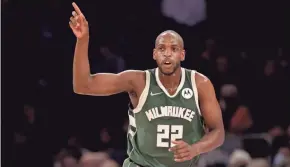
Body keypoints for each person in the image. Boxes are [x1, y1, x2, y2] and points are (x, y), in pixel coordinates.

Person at [69, 2, 225, 167]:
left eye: (173, 49)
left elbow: (218, 132)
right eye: (162, 48)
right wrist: (82, 40)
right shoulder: (138, 82)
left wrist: (195, 149)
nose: (167, 54)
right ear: (154, 54)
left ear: (182, 54)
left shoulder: (200, 84)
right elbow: (83, 85)